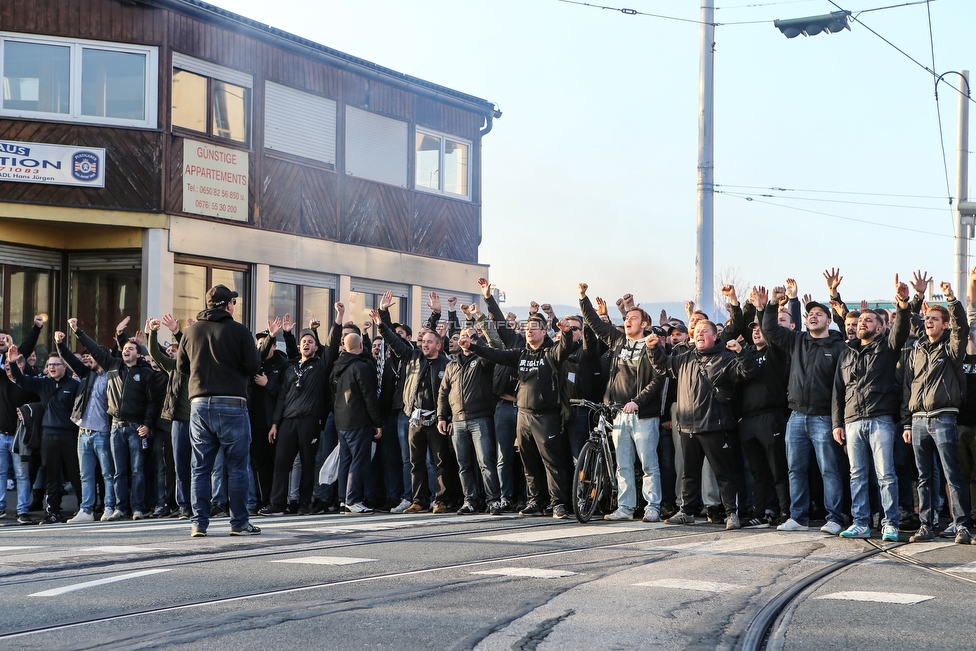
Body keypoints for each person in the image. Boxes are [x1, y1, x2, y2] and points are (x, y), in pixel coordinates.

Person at [646, 321, 757, 529]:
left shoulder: (725, 358)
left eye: (705, 331)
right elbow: (663, 366)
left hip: (715, 426)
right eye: (696, 332)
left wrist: (741, 352)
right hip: (687, 426)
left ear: (714, 336)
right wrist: (654, 348)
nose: (700, 334)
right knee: (689, 473)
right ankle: (686, 511)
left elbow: (747, 372)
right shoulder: (686, 358)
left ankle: (731, 513)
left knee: (724, 473)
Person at [760, 279, 849, 535]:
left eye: (818, 314)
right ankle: (798, 517)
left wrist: (837, 421)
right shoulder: (797, 340)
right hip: (797, 416)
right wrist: (775, 305)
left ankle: (834, 518)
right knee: (795, 468)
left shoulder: (839, 346)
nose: (812, 317)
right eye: (809, 314)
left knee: (829, 470)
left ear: (828, 320)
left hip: (824, 418)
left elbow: (841, 388)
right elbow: (771, 332)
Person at [467, 313, 575, 519]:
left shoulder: (551, 353)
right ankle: (536, 500)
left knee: (551, 463)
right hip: (522, 416)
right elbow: (495, 355)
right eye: (527, 327)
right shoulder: (521, 354)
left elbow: (565, 348)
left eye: (534, 327)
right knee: (529, 461)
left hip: (546, 417)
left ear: (544, 332)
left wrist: (567, 333)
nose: (529, 330)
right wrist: (472, 346)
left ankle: (558, 503)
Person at [178, 284, 262, 537]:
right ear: (228, 305)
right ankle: (239, 523)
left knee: (201, 467)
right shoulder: (239, 331)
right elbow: (253, 366)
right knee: (237, 467)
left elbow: (182, 367)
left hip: (199, 404)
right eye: (233, 303)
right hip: (232, 403)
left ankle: (199, 524)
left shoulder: (191, 331)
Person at [831, 276, 911, 540]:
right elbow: (838, 392)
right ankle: (860, 522)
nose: (862, 323)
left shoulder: (887, 348)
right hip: (852, 421)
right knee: (857, 476)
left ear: (880, 328)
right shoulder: (846, 353)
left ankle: (890, 523)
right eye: (860, 320)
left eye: (868, 320)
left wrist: (902, 304)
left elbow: (900, 331)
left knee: (886, 474)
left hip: (880, 420)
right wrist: (837, 423)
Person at [579, 283, 665, 523]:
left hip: (643, 414)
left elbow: (659, 378)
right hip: (619, 414)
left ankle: (652, 506)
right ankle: (625, 507)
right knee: (623, 465)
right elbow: (596, 324)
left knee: (649, 464)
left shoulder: (651, 345)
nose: (628, 321)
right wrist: (583, 298)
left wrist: (637, 401)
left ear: (644, 324)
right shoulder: (618, 341)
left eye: (634, 318)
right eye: (627, 318)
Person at [902, 281, 972, 544]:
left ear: (944, 324)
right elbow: (909, 387)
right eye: (927, 317)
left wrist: (952, 300)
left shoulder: (951, 349)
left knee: (951, 474)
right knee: (923, 476)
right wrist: (907, 422)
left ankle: (961, 526)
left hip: (944, 417)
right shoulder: (916, 349)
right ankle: (926, 525)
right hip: (918, 419)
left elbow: (961, 328)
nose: (929, 321)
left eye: (934, 318)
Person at [71, 318, 157, 521]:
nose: (127, 351)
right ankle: (120, 508)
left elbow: (153, 402)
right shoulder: (112, 366)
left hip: (136, 428)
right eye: (125, 348)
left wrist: (147, 424)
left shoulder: (145, 373)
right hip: (116, 427)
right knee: (119, 471)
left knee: (137, 470)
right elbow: (94, 348)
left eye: (131, 348)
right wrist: (78, 331)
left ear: (138, 353)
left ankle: (138, 508)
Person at [6, 346, 82, 524]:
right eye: (49, 365)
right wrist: (12, 362)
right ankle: (53, 512)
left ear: (65, 367)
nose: (52, 367)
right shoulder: (43, 383)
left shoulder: (75, 385)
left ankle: (84, 509)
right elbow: (21, 380)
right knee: (52, 476)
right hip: (48, 436)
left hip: (70, 436)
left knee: (75, 474)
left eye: (56, 364)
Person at [437, 326, 503, 516]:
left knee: (486, 462)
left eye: (469, 336)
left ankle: (493, 500)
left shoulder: (482, 360)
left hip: (480, 417)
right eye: (463, 336)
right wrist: (442, 416)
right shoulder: (452, 364)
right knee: (463, 464)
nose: (465, 339)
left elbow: (490, 354)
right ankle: (470, 500)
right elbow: (443, 393)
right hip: (457, 420)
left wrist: (476, 341)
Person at [58, 332, 117, 523]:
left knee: (108, 473)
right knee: (86, 474)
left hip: (103, 432)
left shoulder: (111, 376)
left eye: (94, 355)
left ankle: (109, 507)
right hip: (83, 433)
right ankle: (87, 510)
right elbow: (69, 360)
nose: (90, 358)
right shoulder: (87, 374)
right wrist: (60, 344)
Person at [331, 333, 383, 513]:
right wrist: (377, 421)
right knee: (359, 461)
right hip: (359, 419)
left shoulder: (338, 366)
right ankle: (353, 499)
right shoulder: (361, 367)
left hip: (341, 420)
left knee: (345, 460)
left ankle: (343, 499)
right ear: (361, 345)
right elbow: (369, 396)